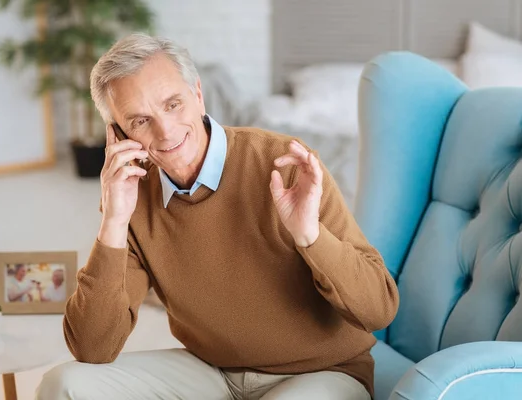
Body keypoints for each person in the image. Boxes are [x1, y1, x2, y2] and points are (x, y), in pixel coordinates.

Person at [36, 33, 399, 400]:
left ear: (197, 94)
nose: (166, 131)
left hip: (320, 373)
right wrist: (113, 222)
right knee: (64, 385)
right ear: (117, 134)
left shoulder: (286, 163)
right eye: (140, 121)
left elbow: (379, 310)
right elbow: (93, 348)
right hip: (211, 372)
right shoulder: (130, 197)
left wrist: (309, 235)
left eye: (173, 104)